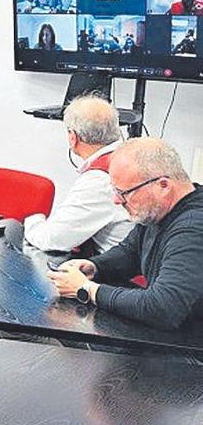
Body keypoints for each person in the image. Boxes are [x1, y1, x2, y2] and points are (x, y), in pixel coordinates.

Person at [48, 137, 203, 331]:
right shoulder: (159, 210)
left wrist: (87, 289)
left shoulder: (193, 228)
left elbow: (163, 308)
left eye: (125, 192)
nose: (116, 200)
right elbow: (131, 252)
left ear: (163, 185)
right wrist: (94, 267)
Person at [21, 96, 133, 256]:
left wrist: (33, 221)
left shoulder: (99, 180)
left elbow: (53, 239)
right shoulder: (131, 156)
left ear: (73, 137)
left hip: (122, 268)